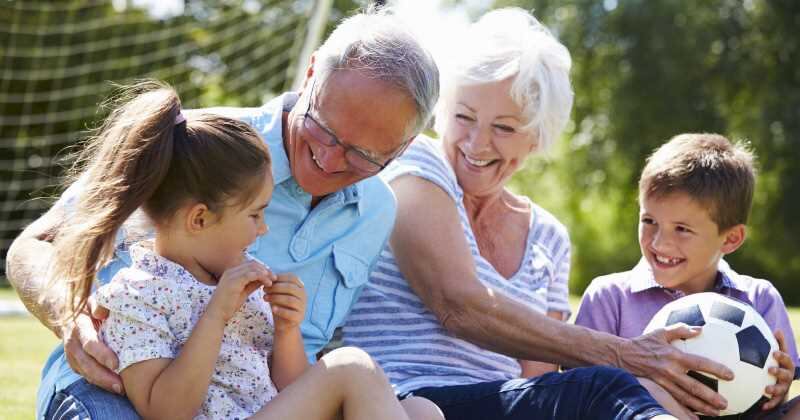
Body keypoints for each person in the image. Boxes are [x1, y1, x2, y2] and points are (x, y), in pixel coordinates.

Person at [6, 8, 440, 420]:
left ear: (402, 148)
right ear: (310, 76)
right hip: (124, 384)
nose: (329, 158)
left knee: (422, 411)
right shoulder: (196, 147)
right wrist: (70, 314)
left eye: (363, 154)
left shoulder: (377, 212)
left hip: (262, 399)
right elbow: (32, 246)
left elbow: (307, 364)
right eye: (323, 128)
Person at [342, 8, 731, 420]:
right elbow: (456, 305)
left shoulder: (548, 236)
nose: (477, 143)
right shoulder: (416, 164)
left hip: (500, 405)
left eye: (504, 128)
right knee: (603, 386)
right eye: (464, 117)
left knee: (646, 393)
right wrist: (622, 352)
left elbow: (541, 382)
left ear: (537, 137)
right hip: (406, 399)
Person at [575, 133, 800, 419]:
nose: (659, 243)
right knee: (645, 388)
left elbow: (777, 405)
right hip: (650, 413)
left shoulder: (759, 298)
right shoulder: (610, 297)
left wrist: (778, 389)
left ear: (731, 238)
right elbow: (582, 392)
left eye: (681, 229)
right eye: (649, 221)